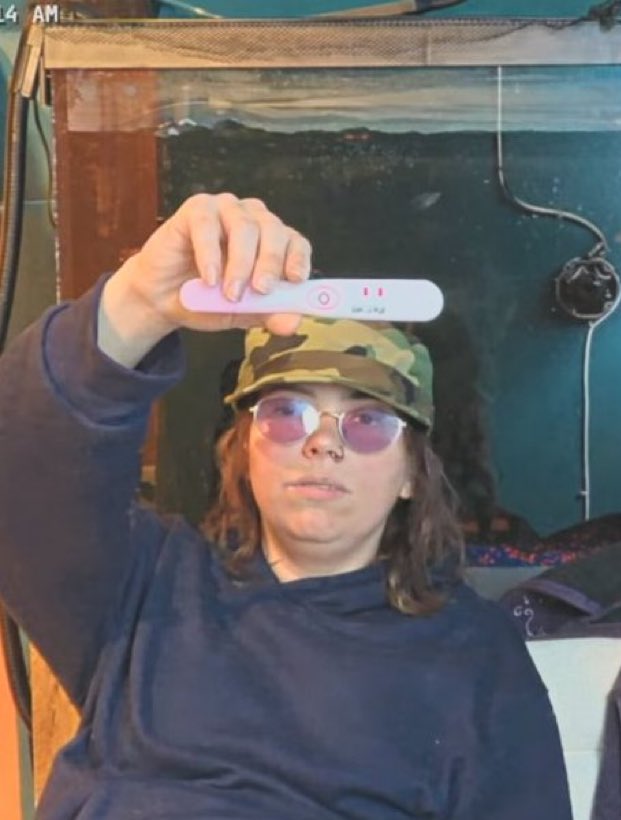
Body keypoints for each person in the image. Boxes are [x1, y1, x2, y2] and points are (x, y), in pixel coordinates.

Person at [0, 193, 572, 819]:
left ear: (412, 473)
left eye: (368, 422)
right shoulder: (145, 584)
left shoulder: (474, 656)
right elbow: (21, 467)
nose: (323, 442)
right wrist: (138, 302)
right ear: (244, 449)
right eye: (286, 413)